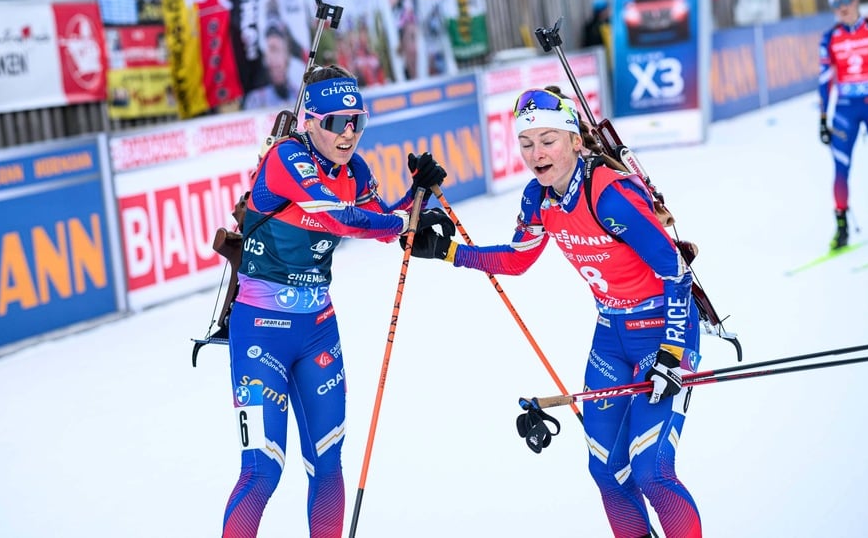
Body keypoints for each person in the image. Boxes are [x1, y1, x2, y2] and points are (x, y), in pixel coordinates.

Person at [405, 85, 703, 538]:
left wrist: (670, 352)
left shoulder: (609, 195)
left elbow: (676, 272)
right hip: (612, 334)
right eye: (525, 143)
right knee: (606, 471)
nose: (535, 153)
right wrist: (449, 251)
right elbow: (518, 259)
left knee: (651, 471)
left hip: (664, 331)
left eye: (547, 140)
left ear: (574, 141)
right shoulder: (538, 198)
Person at [221, 64, 452, 538]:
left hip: (318, 328)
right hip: (260, 330)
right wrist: (401, 223)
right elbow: (338, 218)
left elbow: (382, 223)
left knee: (327, 460)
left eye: (357, 122)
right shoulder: (287, 158)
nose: (348, 134)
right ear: (310, 121)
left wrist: (418, 195)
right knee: (262, 470)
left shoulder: (355, 170)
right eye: (335, 122)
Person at [818, 0, 868, 250]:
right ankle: (842, 228)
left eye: (846, 1)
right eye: (837, 4)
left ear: (855, 0)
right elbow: (824, 80)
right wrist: (823, 119)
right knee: (840, 169)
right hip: (846, 109)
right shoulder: (830, 38)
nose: (843, 7)